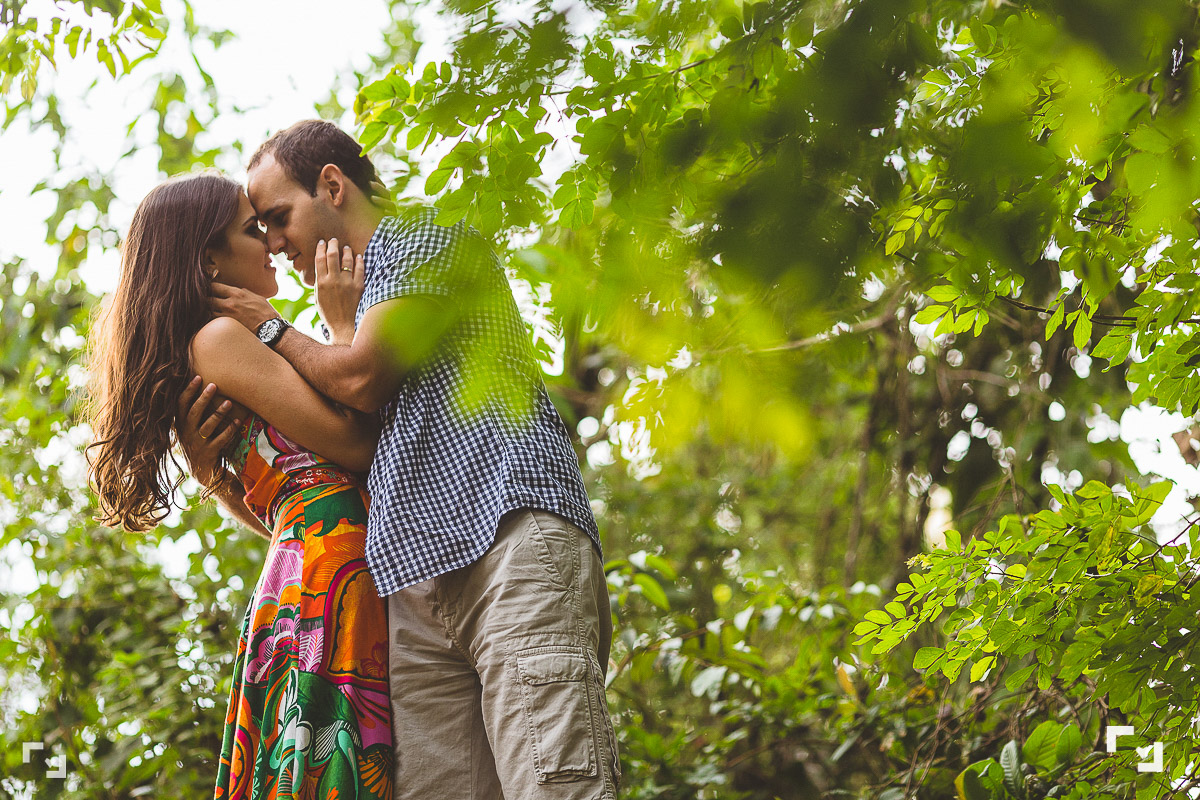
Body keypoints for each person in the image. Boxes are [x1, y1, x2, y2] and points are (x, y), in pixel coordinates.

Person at [191, 119, 620, 799]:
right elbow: (329, 482)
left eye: (278, 217)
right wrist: (214, 471)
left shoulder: (427, 237)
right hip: (415, 590)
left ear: (332, 186)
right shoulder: (352, 317)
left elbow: (363, 376)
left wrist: (270, 326)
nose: (273, 243)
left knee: (555, 781)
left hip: (506, 541)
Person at [86, 172, 393, 799]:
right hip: (333, 578)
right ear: (209, 260)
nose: (274, 244)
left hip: (311, 572)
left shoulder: (211, 346)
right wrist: (340, 330)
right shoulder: (224, 338)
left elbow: (298, 503)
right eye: (254, 230)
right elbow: (358, 447)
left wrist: (214, 482)